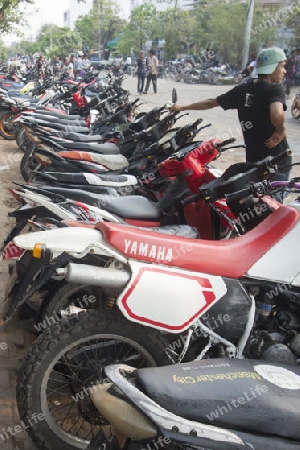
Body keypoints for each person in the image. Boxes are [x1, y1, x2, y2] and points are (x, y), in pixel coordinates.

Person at [171, 47, 292, 186]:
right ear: (273, 67)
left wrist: (182, 107)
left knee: (255, 202)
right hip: (277, 163)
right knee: (271, 205)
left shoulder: (243, 89)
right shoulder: (274, 89)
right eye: (282, 66)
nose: (285, 71)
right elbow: (276, 113)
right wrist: (280, 130)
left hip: (253, 164)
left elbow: (210, 102)